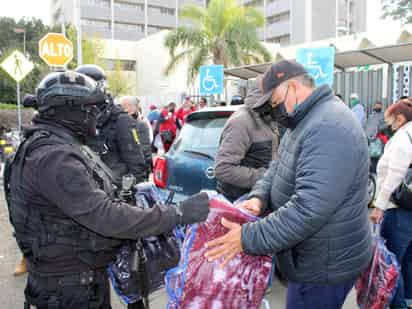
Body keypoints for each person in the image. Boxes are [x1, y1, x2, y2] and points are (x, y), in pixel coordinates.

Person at [3, 71, 210, 309]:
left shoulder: (47, 146)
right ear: (71, 111)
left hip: (66, 283)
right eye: (91, 109)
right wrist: (178, 213)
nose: (96, 117)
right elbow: (107, 217)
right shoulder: (54, 158)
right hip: (70, 291)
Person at [205, 61, 373, 309]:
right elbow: (277, 167)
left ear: (292, 87)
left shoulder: (328, 127)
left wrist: (247, 238)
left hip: (323, 267)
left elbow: (309, 209)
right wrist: (259, 196)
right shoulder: (304, 121)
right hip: (311, 257)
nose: (274, 111)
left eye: (274, 102)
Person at [370, 98, 412, 309]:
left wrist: (379, 206)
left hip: (398, 210)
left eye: (391, 119)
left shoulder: (403, 139)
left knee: (391, 263)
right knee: (409, 260)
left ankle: (398, 306)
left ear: (400, 118)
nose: (389, 123)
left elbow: (394, 176)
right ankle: (408, 301)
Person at [75, 65, 146, 186]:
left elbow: (136, 166)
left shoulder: (121, 120)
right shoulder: (77, 118)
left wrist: (124, 193)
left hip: (112, 192)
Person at [215, 78, 279, 202]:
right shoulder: (241, 121)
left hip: (259, 198)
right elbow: (223, 169)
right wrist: (266, 177)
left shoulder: (269, 118)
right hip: (240, 202)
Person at [120, 96, 153, 178]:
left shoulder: (142, 123)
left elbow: (145, 147)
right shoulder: (120, 123)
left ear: (134, 108)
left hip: (139, 169)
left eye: (127, 106)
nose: (124, 109)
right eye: (122, 106)